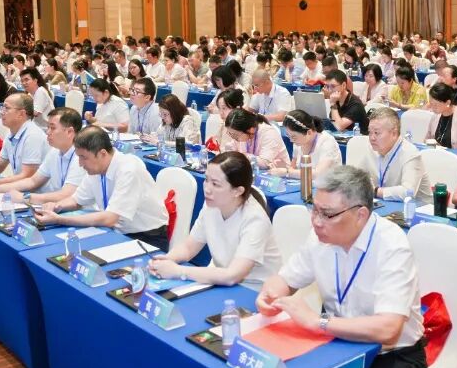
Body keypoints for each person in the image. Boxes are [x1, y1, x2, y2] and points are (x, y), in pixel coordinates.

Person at [255, 166, 426, 368]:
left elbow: (389, 329)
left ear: (361, 214)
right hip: (338, 343)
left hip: (394, 354)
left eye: (328, 214)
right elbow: (286, 278)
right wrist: (270, 293)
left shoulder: (392, 246)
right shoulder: (320, 237)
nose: (316, 221)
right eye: (314, 209)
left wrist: (317, 322)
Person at [149, 151, 281, 289]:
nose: (207, 189)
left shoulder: (255, 220)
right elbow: (188, 248)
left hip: (255, 290)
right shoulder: (212, 204)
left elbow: (232, 276)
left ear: (238, 191)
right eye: (206, 180)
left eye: (215, 184)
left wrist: (178, 271)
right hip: (221, 280)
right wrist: (167, 260)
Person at [33, 127, 170, 244]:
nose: (80, 163)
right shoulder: (96, 168)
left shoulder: (129, 169)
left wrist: (59, 219)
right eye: (78, 157)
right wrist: (56, 206)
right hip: (116, 230)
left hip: (148, 236)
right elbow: (77, 200)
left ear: (102, 153)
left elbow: (110, 218)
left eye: (83, 157)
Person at [0, 107, 87, 203]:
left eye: (53, 128)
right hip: (55, 205)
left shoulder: (81, 157)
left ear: (69, 132)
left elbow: (66, 195)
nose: (48, 132)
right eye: (48, 127)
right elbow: (33, 181)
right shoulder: (55, 151)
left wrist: (25, 198)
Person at [350, 107, 432, 203]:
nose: (372, 138)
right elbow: (356, 178)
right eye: (370, 132)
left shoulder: (410, 154)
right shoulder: (371, 148)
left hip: (417, 208)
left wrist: (375, 191)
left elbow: (408, 192)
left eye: (376, 133)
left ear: (394, 133)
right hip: (386, 204)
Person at [0, 92, 49, 187]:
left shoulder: (33, 136)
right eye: (2, 108)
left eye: (6, 108)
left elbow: (27, 176)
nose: (1, 112)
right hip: (22, 188)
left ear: (21, 114)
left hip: (38, 193)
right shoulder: (11, 133)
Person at [273, 110, 342, 179]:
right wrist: (284, 167)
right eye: (288, 136)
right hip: (305, 182)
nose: (291, 140)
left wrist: (287, 172)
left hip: (329, 183)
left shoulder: (327, 141)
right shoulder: (298, 143)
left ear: (309, 132)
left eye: (294, 137)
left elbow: (318, 174)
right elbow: (293, 169)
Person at [221, 108, 290, 169]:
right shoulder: (241, 133)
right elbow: (232, 149)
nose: (233, 137)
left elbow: (265, 163)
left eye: (235, 135)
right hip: (253, 171)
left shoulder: (269, 133)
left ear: (250, 130)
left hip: (278, 174)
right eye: (230, 133)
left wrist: (241, 156)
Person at [325, 69, 368, 134]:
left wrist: (333, 104)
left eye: (333, 86)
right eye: (327, 86)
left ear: (344, 85)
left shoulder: (356, 104)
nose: (329, 90)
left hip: (358, 138)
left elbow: (339, 126)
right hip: (341, 135)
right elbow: (333, 122)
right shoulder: (336, 99)